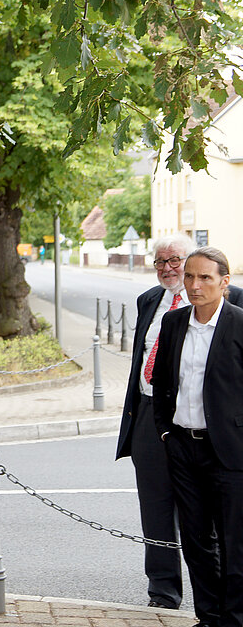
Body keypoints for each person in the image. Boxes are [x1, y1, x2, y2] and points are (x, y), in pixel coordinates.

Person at [115, 235, 243, 609]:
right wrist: (162, 427)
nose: (169, 270)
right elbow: (154, 369)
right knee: (160, 511)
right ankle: (164, 592)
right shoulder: (152, 303)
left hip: (222, 436)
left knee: (221, 529)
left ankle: (228, 612)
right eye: (161, 262)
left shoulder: (234, 308)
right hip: (160, 423)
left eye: (177, 261)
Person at [152, 246, 243, 627]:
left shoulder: (239, 324)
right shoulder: (173, 324)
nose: (194, 284)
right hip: (183, 448)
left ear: (224, 282)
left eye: (205, 277)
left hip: (231, 453)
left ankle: (235, 619)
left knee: (235, 545)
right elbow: (161, 383)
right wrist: (165, 432)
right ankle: (207, 617)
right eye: (189, 276)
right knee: (196, 541)